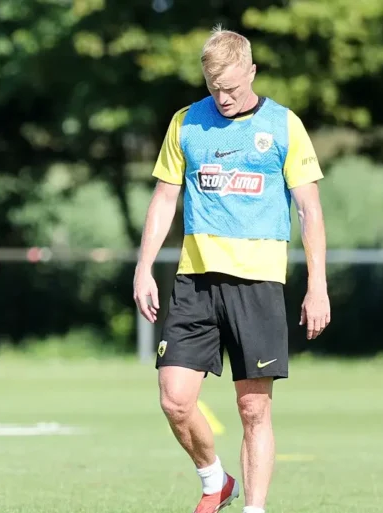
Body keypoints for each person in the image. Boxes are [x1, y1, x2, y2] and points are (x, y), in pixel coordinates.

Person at [133, 26, 330, 513]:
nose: (223, 98)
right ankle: (215, 480)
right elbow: (164, 199)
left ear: (252, 72)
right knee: (175, 399)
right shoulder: (186, 122)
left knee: (252, 407)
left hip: (258, 283)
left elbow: (309, 209)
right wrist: (143, 267)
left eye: (232, 88)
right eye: (214, 87)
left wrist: (318, 285)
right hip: (195, 281)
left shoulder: (283, 125)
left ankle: (254, 508)